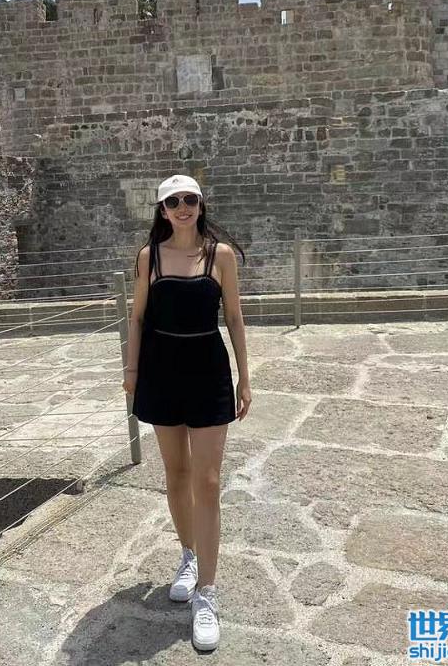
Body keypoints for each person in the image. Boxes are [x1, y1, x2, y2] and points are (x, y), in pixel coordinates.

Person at [122, 174, 252, 651]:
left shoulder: (220, 256)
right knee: (176, 473)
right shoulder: (149, 257)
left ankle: (207, 593)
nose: (182, 207)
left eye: (190, 199)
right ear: (162, 209)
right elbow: (138, 317)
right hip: (161, 370)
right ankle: (188, 555)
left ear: (200, 204)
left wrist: (245, 377)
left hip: (207, 370)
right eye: (173, 201)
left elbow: (234, 317)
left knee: (208, 481)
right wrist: (132, 371)